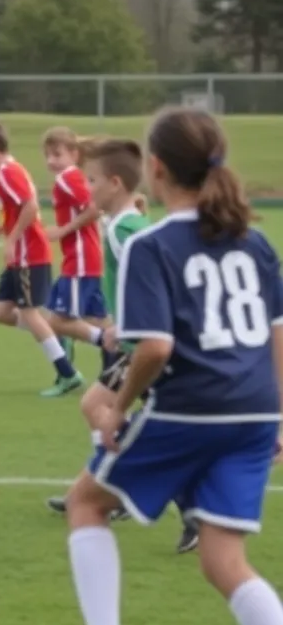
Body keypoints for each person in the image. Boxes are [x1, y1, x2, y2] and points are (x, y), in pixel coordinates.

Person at [64, 108, 283, 625]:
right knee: (223, 560)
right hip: (255, 414)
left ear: (156, 167)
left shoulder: (152, 245)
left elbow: (156, 348)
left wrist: (118, 407)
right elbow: (277, 333)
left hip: (192, 408)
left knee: (86, 503)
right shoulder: (254, 242)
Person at [43, 137, 197, 553]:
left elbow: (157, 285)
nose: (86, 189)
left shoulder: (125, 232)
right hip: (136, 342)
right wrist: (118, 327)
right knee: (96, 406)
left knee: (113, 414)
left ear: (115, 184)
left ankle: (177, 503)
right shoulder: (121, 226)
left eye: (91, 181)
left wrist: (133, 330)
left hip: (150, 348)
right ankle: (113, 489)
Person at [0, 120, 83, 397]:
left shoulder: (7, 172)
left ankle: (67, 373)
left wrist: (12, 239)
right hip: (21, 256)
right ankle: (54, 335)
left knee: (30, 312)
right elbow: (18, 210)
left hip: (29, 254)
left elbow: (31, 206)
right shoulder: (7, 171)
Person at [41, 127, 108, 371]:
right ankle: (121, 358)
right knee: (97, 320)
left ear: (74, 154)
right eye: (47, 155)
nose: (51, 161)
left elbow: (94, 209)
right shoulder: (74, 177)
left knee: (57, 321)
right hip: (87, 259)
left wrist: (61, 231)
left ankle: (111, 345)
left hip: (80, 260)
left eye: (57, 154)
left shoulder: (67, 178)